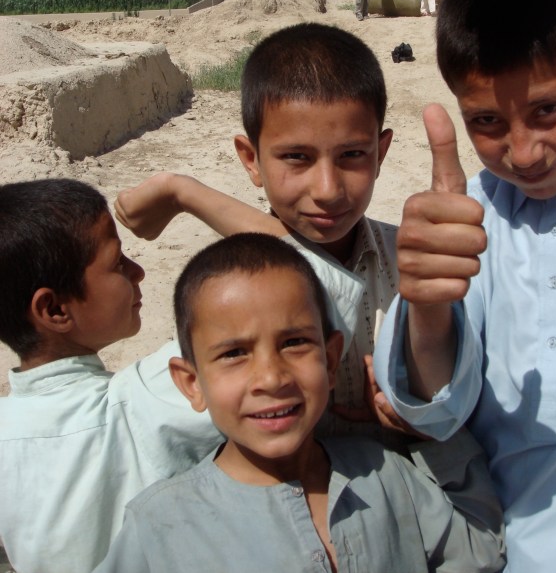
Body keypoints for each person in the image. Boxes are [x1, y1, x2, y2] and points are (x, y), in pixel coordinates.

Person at [372, 0, 556, 571]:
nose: (523, 153)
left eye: (548, 111)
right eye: (486, 121)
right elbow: (441, 410)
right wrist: (426, 307)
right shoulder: (469, 217)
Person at [94, 233, 505, 573]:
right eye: (234, 353)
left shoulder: (384, 475)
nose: (271, 378)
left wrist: (430, 436)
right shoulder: (159, 526)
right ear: (191, 383)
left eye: (294, 343)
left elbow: (480, 551)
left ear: (330, 360)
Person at [117, 22, 443, 447]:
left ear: (380, 153)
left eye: (352, 155)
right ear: (251, 161)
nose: (327, 190)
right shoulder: (226, 289)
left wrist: (416, 418)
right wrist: (183, 191)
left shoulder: (416, 268)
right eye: (296, 157)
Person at [0, 179, 223, 573]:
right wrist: (180, 192)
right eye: (118, 262)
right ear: (54, 310)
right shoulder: (141, 404)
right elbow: (316, 281)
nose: (138, 272)